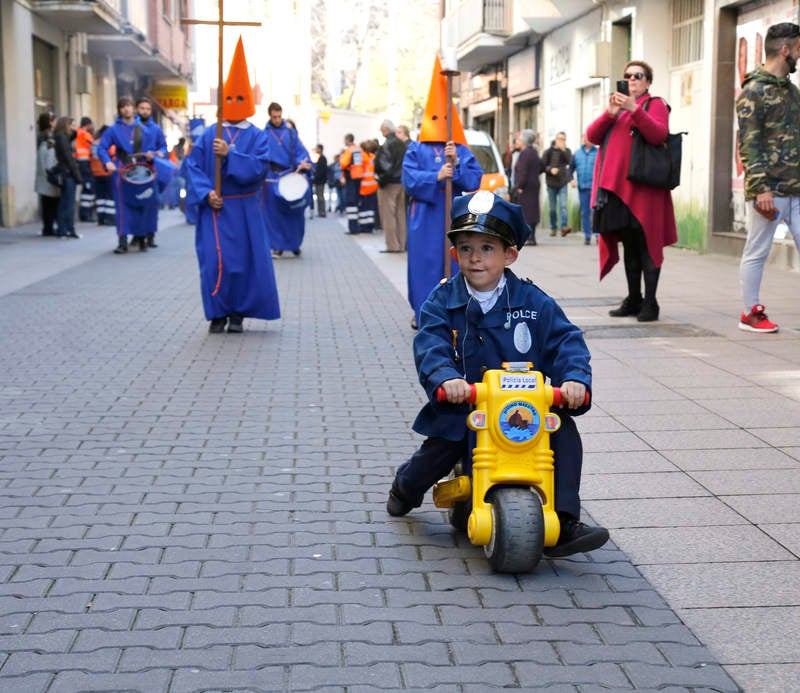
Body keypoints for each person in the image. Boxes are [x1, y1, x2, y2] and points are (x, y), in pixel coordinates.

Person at [386, 191, 609, 559]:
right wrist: (445, 378)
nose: (475, 257)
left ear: (510, 254)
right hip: (466, 409)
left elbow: (566, 339)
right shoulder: (442, 301)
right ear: (454, 253)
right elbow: (431, 344)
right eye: (466, 247)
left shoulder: (533, 302)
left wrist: (573, 380)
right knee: (439, 451)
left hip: (523, 409)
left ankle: (566, 519)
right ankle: (404, 487)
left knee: (563, 434)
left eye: (487, 248)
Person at [184, 36, 280, 334]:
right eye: (232, 98)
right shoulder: (209, 132)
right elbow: (192, 166)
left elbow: (259, 168)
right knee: (214, 261)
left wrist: (230, 154)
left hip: (245, 207)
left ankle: (238, 313)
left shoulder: (258, 135)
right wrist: (205, 192)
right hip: (216, 205)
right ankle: (217, 313)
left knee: (243, 263)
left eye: (241, 98)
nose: (236, 104)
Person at [586, 60, 677, 323]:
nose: (632, 80)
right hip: (616, 190)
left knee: (648, 245)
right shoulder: (618, 110)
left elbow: (658, 134)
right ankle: (633, 298)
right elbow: (592, 136)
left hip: (645, 191)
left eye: (638, 76)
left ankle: (651, 302)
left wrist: (633, 108)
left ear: (648, 81)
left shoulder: (654, 104)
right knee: (630, 247)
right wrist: (611, 112)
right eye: (628, 76)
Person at [403, 56, 483, 330]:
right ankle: (423, 312)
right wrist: (436, 176)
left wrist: (457, 165)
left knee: (454, 263)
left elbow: (475, 178)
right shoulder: (415, 148)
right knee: (424, 265)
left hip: (452, 216)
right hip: (425, 217)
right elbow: (409, 179)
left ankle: (454, 311)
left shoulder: (459, 148)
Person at [735, 21, 800, 333]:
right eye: (798, 48)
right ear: (785, 50)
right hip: (768, 191)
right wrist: (760, 187)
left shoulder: (793, 93)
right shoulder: (752, 92)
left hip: (797, 188)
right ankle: (750, 312)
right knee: (758, 251)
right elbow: (749, 144)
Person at [98, 97, 154, 254]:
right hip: (122, 170)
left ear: (133, 109)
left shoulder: (144, 129)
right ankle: (122, 241)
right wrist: (107, 161)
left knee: (140, 204)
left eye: (129, 105)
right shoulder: (113, 130)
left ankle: (141, 238)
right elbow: (102, 148)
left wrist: (152, 156)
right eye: (123, 107)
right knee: (121, 207)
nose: (126, 109)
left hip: (141, 171)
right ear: (119, 110)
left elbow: (154, 149)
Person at [262, 102, 312, 256]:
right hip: (272, 178)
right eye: (274, 117)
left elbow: (299, 151)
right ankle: (277, 245)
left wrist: (303, 162)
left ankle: (294, 243)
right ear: (270, 116)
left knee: (294, 213)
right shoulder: (263, 135)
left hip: (290, 175)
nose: (277, 119)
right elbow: (259, 155)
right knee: (274, 215)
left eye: (279, 116)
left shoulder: (290, 133)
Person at [134, 97, 168, 249]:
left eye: (148, 109)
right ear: (137, 109)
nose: (145, 111)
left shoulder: (156, 129)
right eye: (142, 108)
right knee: (135, 203)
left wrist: (159, 153)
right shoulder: (132, 127)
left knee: (151, 204)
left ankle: (150, 235)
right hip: (134, 170)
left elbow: (163, 147)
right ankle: (137, 235)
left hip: (151, 169)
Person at [375, 119, 407, 252]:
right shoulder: (402, 144)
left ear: (386, 130)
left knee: (388, 215)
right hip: (402, 182)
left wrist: (382, 179)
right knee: (400, 214)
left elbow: (384, 165)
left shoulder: (387, 144)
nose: (381, 132)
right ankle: (402, 244)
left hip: (389, 183)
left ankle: (392, 245)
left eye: (382, 130)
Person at [52, 116, 83, 239]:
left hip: (67, 173)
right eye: (71, 125)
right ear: (65, 125)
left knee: (67, 203)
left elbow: (73, 136)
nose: (73, 127)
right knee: (67, 204)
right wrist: (78, 176)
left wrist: (74, 130)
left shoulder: (63, 137)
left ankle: (67, 229)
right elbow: (69, 159)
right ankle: (65, 230)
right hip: (68, 174)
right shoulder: (62, 138)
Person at [513, 129, 544, 245]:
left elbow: (523, 171)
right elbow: (541, 166)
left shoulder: (525, 153)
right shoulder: (534, 152)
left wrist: (520, 185)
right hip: (534, 185)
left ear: (524, 141)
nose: (518, 141)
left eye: (520, 139)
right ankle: (532, 237)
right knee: (533, 210)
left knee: (527, 211)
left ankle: (530, 237)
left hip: (526, 187)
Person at [542, 132, 573, 237]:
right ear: (555, 139)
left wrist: (564, 150)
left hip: (563, 182)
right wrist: (550, 170)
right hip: (551, 183)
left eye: (564, 139)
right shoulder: (548, 152)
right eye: (560, 139)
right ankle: (553, 227)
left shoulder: (567, 151)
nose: (562, 141)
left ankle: (564, 227)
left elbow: (570, 162)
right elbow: (542, 166)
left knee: (563, 206)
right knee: (552, 208)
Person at [34, 111, 59, 237]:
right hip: (48, 172)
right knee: (51, 202)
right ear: (50, 122)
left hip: (42, 172)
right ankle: (49, 228)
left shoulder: (40, 135)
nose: (55, 122)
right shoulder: (49, 136)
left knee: (46, 202)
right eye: (54, 120)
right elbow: (51, 155)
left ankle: (47, 227)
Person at [570, 134, 598, 245]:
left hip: (595, 188)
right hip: (582, 188)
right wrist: (571, 180)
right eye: (586, 138)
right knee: (585, 213)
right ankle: (587, 235)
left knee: (595, 212)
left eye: (590, 138)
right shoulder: (577, 154)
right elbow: (570, 169)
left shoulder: (598, 153)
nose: (588, 140)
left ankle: (597, 235)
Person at [90, 125, 115, 226]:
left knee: (100, 196)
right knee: (109, 196)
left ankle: (101, 218)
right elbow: (113, 157)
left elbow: (90, 157)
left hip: (96, 173)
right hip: (107, 172)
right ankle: (110, 219)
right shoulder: (108, 144)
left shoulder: (94, 143)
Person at [340, 133, 364, 234]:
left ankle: (352, 227)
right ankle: (356, 226)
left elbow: (343, 163)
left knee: (350, 203)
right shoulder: (359, 149)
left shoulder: (349, 150)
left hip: (351, 177)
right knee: (356, 202)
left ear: (348, 140)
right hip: (359, 178)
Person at [75, 117, 96, 222]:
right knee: (89, 188)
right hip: (85, 163)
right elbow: (94, 146)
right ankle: (85, 214)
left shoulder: (76, 133)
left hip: (78, 163)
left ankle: (84, 213)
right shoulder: (85, 134)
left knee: (86, 188)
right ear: (88, 125)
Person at [358, 139, 378, 233]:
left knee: (363, 208)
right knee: (371, 208)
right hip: (373, 186)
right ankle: (370, 225)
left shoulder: (362, 157)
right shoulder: (373, 157)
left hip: (364, 187)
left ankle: (363, 226)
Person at [311, 144, 328, 218]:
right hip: (318, 180)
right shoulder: (319, 158)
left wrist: (316, 177)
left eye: (317, 149)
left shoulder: (322, 158)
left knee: (320, 197)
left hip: (320, 180)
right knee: (318, 197)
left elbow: (322, 171)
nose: (316, 150)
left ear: (320, 149)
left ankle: (322, 212)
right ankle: (320, 211)